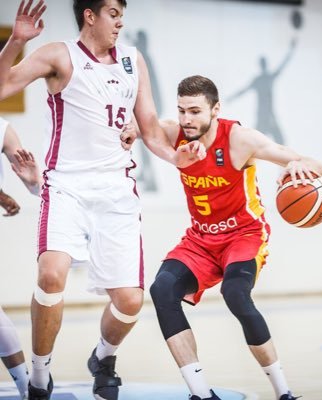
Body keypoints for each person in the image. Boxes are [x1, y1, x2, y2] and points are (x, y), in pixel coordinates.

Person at [0, 2, 205, 400]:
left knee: (130, 301)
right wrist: (16, 42)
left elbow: (149, 127)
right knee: (51, 275)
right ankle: (40, 377)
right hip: (66, 186)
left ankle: (103, 357)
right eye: (113, 12)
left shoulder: (133, 59)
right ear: (89, 16)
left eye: (122, 12)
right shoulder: (59, 54)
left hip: (116, 191)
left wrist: (176, 157)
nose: (121, 20)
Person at [149, 75, 322, 400]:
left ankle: (283, 392)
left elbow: (315, 163)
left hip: (243, 235)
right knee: (161, 289)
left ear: (215, 110)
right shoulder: (174, 132)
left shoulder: (240, 139)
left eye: (195, 111)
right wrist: (130, 131)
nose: (187, 119)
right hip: (200, 239)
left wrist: (300, 166)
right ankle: (201, 394)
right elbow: (144, 124)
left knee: (235, 293)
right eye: (182, 110)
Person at [0, 117, 42, 400]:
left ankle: (28, 388)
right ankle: (27, 387)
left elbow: (31, 178)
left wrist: (35, 182)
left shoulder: (2, 127)